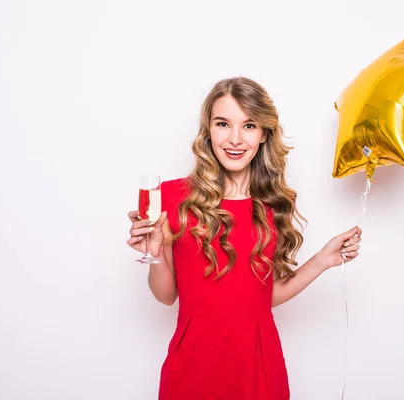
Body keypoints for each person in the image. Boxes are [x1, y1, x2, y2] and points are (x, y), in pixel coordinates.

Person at [126, 77, 361, 399]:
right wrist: (155, 251)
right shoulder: (171, 196)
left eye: (249, 126)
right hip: (193, 363)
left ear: (264, 133)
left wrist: (322, 261)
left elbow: (257, 300)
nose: (235, 139)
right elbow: (167, 296)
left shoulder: (275, 204)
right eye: (223, 124)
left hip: (258, 364)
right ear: (208, 130)